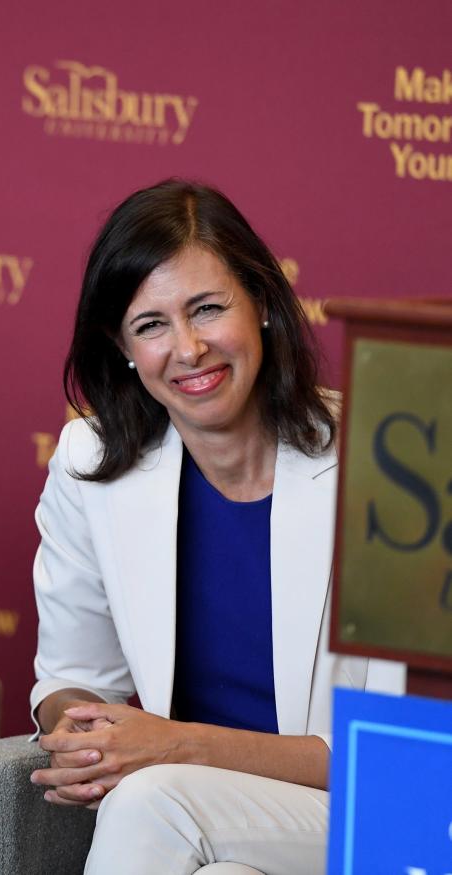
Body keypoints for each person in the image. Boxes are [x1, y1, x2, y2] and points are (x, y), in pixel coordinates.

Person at [28, 179, 404, 874]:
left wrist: (173, 745)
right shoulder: (90, 462)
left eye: (207, 309)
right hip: (226, 827)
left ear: (261, 303)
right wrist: (84, 732)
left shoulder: (381, 462)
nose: (190, 348)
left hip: (376, 808)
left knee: (149, 802)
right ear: (122, 348)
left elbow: (398, 752)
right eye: (152, 325)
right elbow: (70, 677)